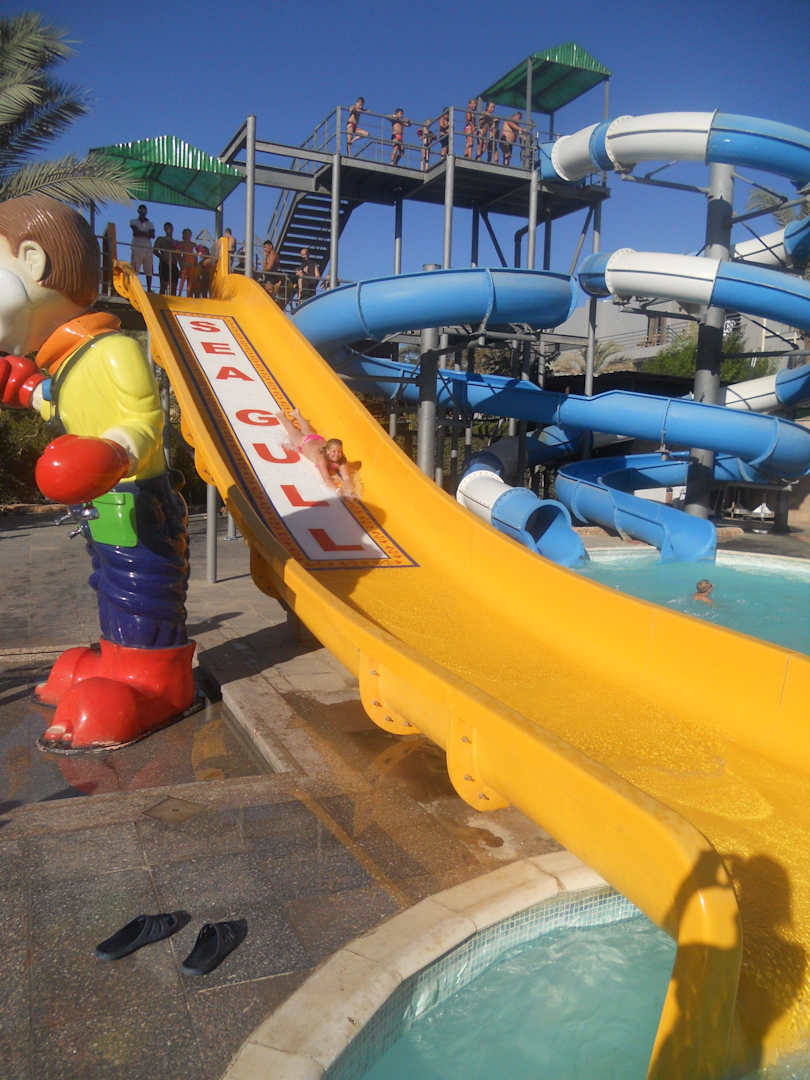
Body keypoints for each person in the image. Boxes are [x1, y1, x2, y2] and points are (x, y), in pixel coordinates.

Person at [0, 194, 195, 751]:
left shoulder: (112, 350)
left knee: (141, 583)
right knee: (110, 579)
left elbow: (144, 421)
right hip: (104, 501)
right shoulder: (67, 362)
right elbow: (58, 401)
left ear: (33, 262)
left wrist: (110, 453)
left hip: (136, 497)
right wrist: (25, 388)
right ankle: (118, 661)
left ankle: (159, 682)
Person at [275, 410, 355, 496]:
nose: (337, 454)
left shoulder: (341, 458)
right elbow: (326, 479)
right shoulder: (321, 458)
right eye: (334, 451)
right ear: (327, 451)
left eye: (339, 451)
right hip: (303, 442)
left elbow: (347, 478)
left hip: (316, 438)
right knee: (291, 430)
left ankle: (297, 415)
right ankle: (281, 415)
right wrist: (338, 491)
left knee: (306, 429)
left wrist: (350, 490)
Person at [129, 203, 155, 291]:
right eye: (141, 210)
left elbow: (152, 235)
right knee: (135, 268)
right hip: (137, 247)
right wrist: (146, 233)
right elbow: (135, 233)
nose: (142, 212)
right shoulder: (133, 221)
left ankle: (149, 288)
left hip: (147, 248)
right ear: (138, 211)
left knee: (149, 269)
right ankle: (133, 287)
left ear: (146, 212)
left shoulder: (150, 224)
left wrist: (142, 233)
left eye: (144, 210)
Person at [153, 222, 180, 296]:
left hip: (174, 264)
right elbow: (155, 250)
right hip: (164, 263)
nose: (169, 229)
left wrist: (181, 266)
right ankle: (161, 300)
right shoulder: (161, 239)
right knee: (163, 284)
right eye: (167, 228)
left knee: (174, 286)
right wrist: (162, 257)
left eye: (170, 228)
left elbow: (179, 255)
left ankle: (174, 301)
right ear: (164, 229)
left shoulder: (176, 242)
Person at [177, 227, 196, 297]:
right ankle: (179, 293)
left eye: (189, 234)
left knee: (190, 280)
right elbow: (178, 254)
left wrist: (195, 263)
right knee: (183, 279)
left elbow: (197, 252)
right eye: (186, 234)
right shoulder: (181, 243)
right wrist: (181, 263)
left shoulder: (193, 244)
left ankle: (189, 295)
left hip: (192, 263)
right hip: (185, 263)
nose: (188, 235)